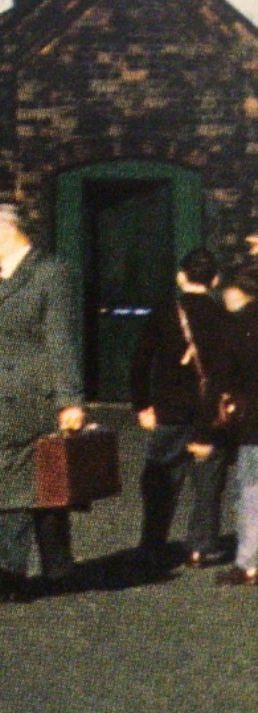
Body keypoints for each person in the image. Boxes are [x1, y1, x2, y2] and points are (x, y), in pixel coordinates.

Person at [0, 203, 85, 602]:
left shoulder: (51, 273)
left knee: (14, 482)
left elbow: (62, 339)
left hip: (30, 393)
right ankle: (58, 568)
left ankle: (8, 574)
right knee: (34, 481)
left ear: (8, 230)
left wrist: (71, 399)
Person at [130, 248, 233, 569]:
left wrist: (143, 405)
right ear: (215, 280)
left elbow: (140, 362)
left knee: (160, 482)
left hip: (169, 409)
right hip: (209, 412)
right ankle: (201, 546)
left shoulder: (163, 313)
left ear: (180, 276)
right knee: (208, 484)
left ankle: (153, 544)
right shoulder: (224, 317)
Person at [215, 264, 258, 586]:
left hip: (253, 423)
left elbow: (228, 374)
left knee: (251, 493)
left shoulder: (239, 326)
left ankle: (248, 563)